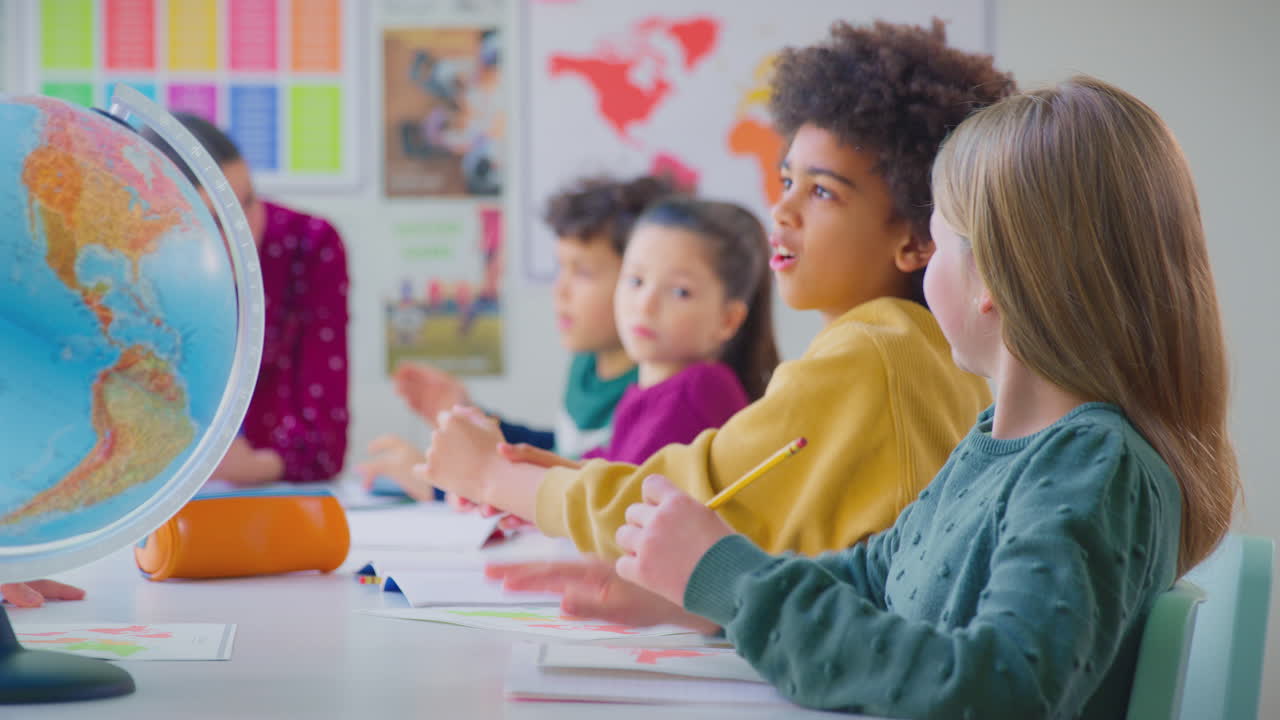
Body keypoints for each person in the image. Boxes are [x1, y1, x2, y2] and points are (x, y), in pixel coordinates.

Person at [500, 76, 1241, 718]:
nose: (925, 266)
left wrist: (732, 579)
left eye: (941, 239)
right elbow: (873, 577)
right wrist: (699, 597)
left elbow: (1000, 685)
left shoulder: (1091, 465)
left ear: (996, 280)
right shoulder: (1000, 445)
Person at [416, 20, 1006, 557]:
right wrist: (547, 475)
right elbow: (726, 491)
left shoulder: (870, 354)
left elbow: (684, 506)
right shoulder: (918, 349)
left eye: (822, 192)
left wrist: (496, 479)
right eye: (786, 181)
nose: (782, 210)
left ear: (914, 237)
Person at [360, 175, 677, 496]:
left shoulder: (659, 387)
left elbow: (598, 497)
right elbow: (564, 456)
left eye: (582, 272)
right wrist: (480, 420)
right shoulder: (587, 363)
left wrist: (442, 486)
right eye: (560, 269)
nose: (560, 290)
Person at [146, 114, 351, 485]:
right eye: (216, 218)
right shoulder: (132, 269)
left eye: (249, 201)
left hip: (268, 499)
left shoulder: (308, 245)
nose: (244, 230)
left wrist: (250, 468)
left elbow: (325, 445)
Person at [579, 196, 778, 464]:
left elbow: (621, 497)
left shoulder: (700, 391)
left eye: (679, 291)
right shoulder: (649, 387)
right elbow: (610, 472)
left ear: (728, 320)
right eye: (636, 280)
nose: (645, 305)